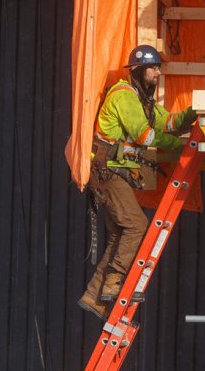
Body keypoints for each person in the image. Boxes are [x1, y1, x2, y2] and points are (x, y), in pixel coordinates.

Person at [78, 44, 197, 320]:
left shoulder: (144, 102)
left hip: (116, 172)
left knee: (121, 232)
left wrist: (193, 114)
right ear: (139, 70)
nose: (158, 73)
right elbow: (146, 137)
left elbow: (168, 123)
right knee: (136, 225)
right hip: (107, 170)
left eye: (159, 68)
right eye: (153, 68)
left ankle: (95, 295)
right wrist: (182, 145)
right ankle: (114, 281)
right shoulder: (124, 96)